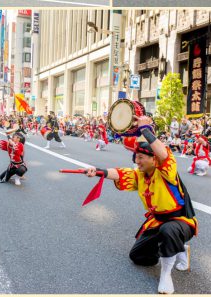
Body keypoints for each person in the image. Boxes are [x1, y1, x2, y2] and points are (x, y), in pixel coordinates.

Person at [83, 116, 196, 294]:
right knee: (138, 256)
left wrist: (145, 129)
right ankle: (177, 248)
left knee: (169, 231)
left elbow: (163, 152)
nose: (137, 161)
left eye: (141, 157)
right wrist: (97, 171)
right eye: (136, 158)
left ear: (153, 158)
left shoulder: (166, 170)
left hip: (180, 220)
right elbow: (119, 174)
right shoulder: (140, 175)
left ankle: (166, 274)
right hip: (157, 221)